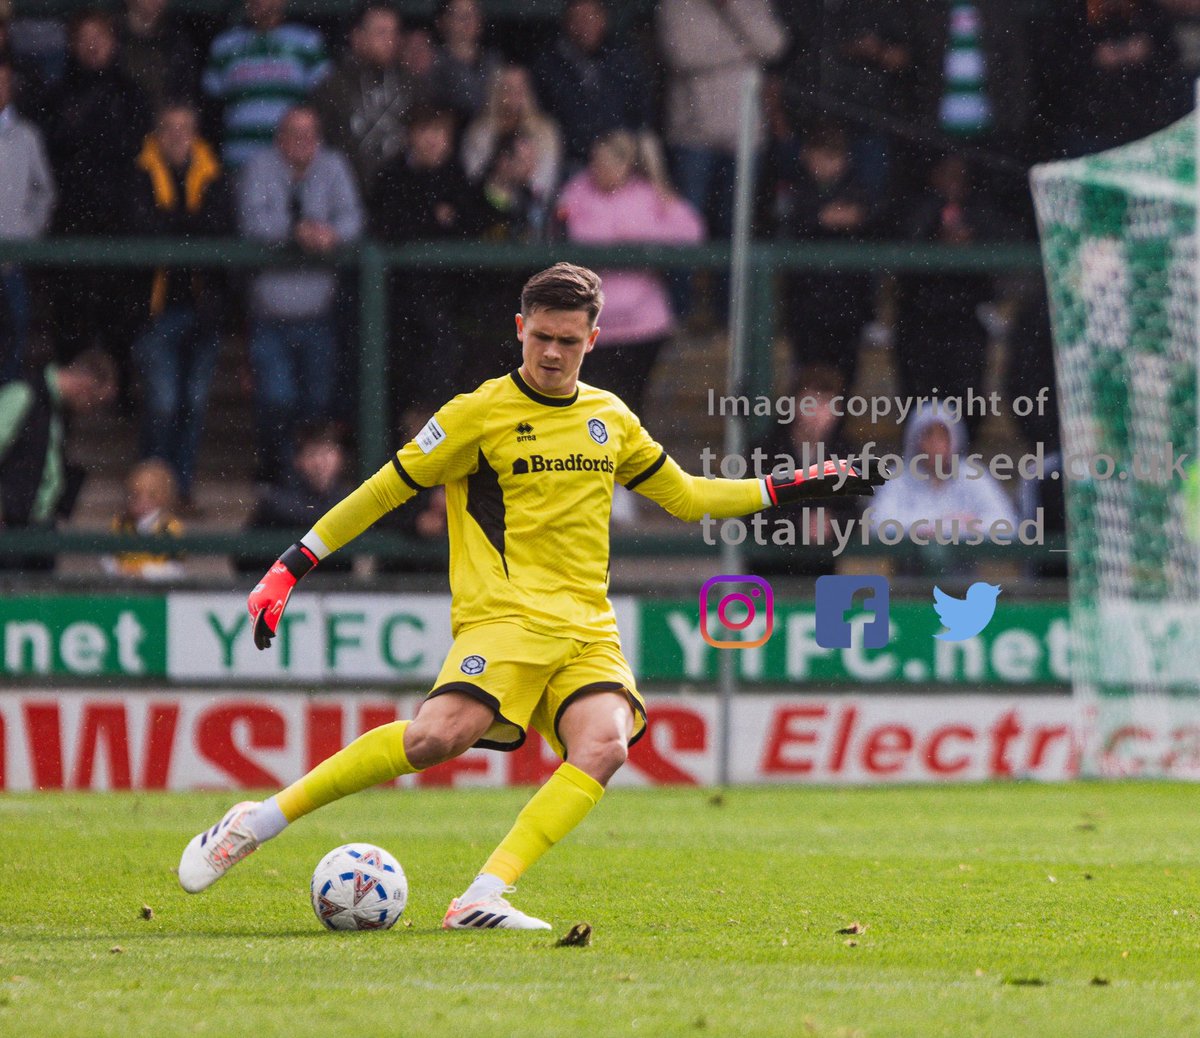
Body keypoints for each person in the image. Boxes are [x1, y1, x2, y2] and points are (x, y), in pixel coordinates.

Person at [177, 262, 883, 928]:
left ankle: (483, 894)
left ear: (593, 340)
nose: (551, 352)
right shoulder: (476, 414)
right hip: (506, 619)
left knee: (605, 745)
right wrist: (291, 566)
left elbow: (691, 498)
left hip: (586, 629)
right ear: (521, 328)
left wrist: (797, 483)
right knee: (435, 739)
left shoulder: (610, 417)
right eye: (541, 336)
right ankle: (256, 821)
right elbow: (384, 490)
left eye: (567, 341)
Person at [237, 105, 363, 483]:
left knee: (317, 403)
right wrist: (296, 232)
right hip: (270, 315)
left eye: (310, 133)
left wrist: (332, 235)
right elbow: (251, 221)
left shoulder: (333, 166)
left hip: (319, 314)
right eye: (294, 133)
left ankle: (310, 482)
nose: (302, 141)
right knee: (277, 399)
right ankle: (278, 473)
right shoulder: (260, 166)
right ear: (279, 137)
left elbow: (354, 218)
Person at [556, 130, 703, 418]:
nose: (600, 169)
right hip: (592, 326)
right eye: (596, 161)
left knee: (630, 409)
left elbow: (690, 231)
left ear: (626, 165)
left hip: (643, 326)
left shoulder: (648, 194)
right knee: (591, 411)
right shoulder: (577, 190)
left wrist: (639, 237)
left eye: (609, 162)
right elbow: (566, 233)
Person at [128, 101, 231, 504]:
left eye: (185, 127)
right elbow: (142, 228)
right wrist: (190, 228)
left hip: (204, 309)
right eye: (169, 127)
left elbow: (218, 229)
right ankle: (146, 493)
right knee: (164, 402)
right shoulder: (139, 173)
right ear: (157, 131)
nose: (177, 135)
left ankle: (179, 490)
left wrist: (174, 226)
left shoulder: (213, 175)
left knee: (194, 403)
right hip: (155, 310)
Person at [0, 349, 116, 569]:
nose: (92, 411)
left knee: (40, 600)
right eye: (95, 402)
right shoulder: (24, 394)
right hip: (10, 528)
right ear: (86, 383)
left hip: (39, 527)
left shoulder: (57, 409)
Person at [202, 0, 329, 169]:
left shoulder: (308, 42)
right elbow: (211, 107)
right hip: (239, 160)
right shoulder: (224, 46)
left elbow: (325, 104)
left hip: (293, 166)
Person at [532, 0, 651, 169]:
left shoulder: (623, 59)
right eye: (578, 19)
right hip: (570, 161)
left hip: (622, 159)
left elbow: (641, 113)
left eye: (591, 17)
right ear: (567, 23)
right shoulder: (550, 64)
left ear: (603, 20)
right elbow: (542, 116)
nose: (585, 25)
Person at [310, 2, 415, 191]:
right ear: (357, 37)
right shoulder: (332, 87)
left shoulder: (412, 83)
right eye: (381, 33)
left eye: (394, 33)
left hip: (402, 196)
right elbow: (319, 147)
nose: (390, 40)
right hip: (348, 194)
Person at [0, 57, 55, 383]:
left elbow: (43, 192)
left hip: (12, 262)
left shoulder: (26, 136)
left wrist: (26, 234)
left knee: (15, 339)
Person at [237, 421, 354, 574]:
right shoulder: (278, 500)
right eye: (312, 454)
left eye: (327, 453)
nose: (320, 463)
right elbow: (243, 555)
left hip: (335, 585)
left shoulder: (348, 497)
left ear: (340, 458)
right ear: (298, 461)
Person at [461, 63, 561, 204]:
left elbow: (544, 184)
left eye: (520, 88)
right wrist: (501, 177)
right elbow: (474, 176)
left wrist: (522, 177)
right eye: (507, 88)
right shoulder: (479, 131)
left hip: (530, 207)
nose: (515, 94)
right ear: (496, 91)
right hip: (487, 205)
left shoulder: (546, 131)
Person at [102, 457, 185, 579]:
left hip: (159, 592)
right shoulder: (119, 524)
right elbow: (107, 558)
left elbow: (176, 568)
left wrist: (144, 572)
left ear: (163, 496)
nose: (139, 501)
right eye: (134, 494)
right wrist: (120, 570)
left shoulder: (170, 528)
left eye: (150, 495)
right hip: (123, 589)